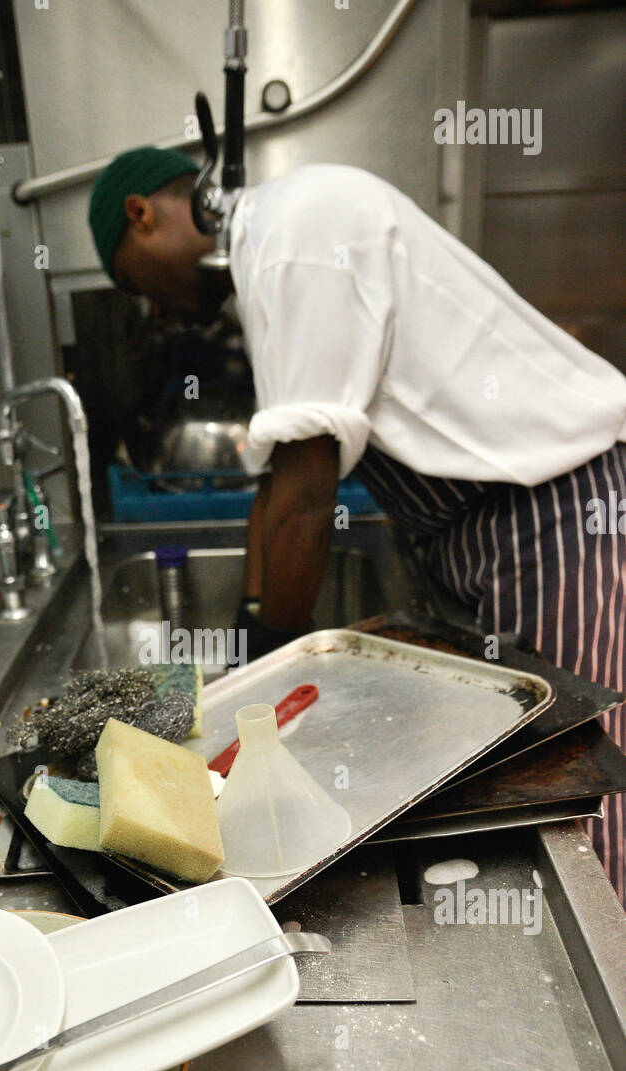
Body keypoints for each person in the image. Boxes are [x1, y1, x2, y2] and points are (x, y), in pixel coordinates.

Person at [87, 147, 626, 905]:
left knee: (568, 791)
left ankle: (608, 997)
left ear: (141, 217)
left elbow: (307, 498)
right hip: (473, 533)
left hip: (550, 516)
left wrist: (274, 669)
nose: (154, 308)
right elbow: (276, 481)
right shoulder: (272, 249)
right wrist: (251, 631)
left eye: (131, 281)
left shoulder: (297, 236)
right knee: (515, 785)